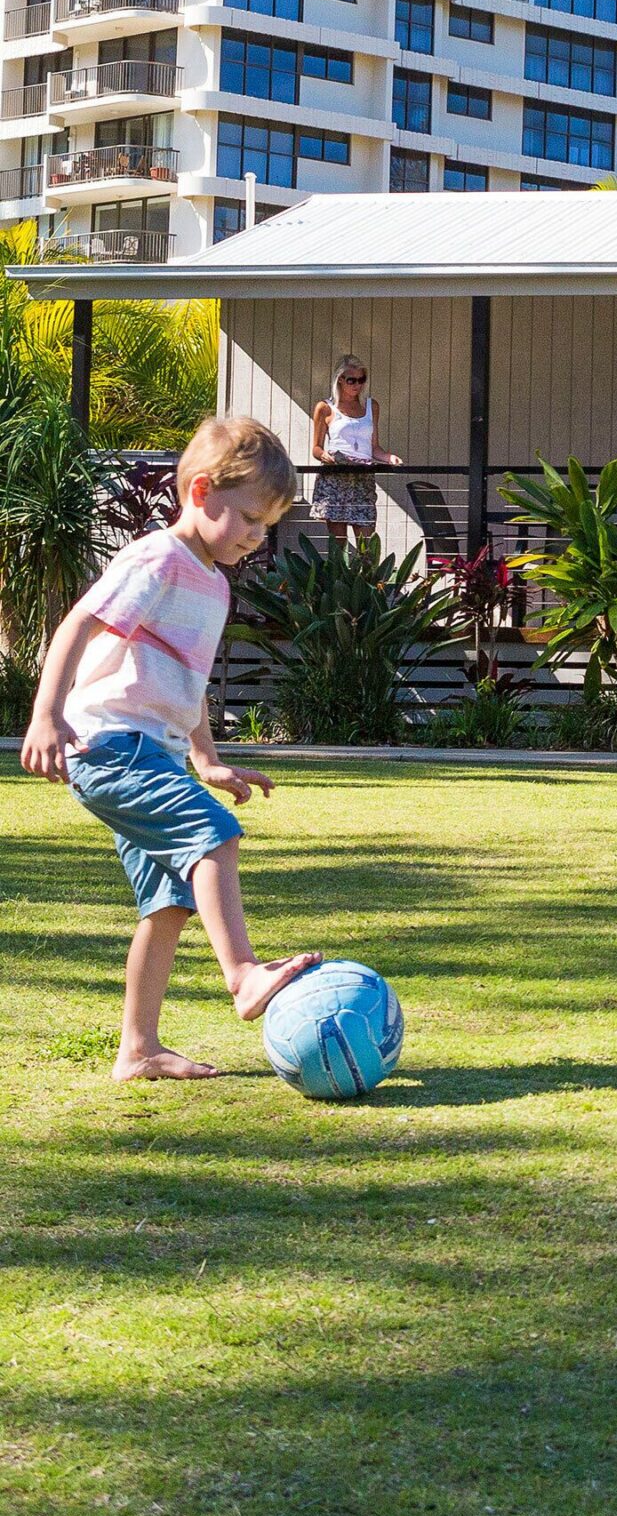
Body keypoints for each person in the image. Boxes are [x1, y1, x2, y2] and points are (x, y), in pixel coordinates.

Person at [16, 417, 322, 1082]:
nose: (254, 535)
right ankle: (241, 974)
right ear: (202, 491)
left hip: (150, 753)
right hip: (109, 747)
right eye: (247, 518)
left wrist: (206, 759)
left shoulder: (213, 582)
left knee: (169, 904)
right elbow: (76, 624)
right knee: (214, 835)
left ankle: (138, 1049)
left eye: (265, 525)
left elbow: (187, 685)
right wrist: (44, 716)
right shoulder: (157, 559)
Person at [309, 353, 400, 542]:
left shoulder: (370, 406)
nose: (357, 385)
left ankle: (366, 573)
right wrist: (325, 456)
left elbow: (374, 447)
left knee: (365, 542)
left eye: (362, 380)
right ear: (340, 379)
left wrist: (389, 458)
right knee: (338, 543)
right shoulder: (325, 408)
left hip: (362, 478)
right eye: (352, 380)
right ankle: (339, 572)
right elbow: (316, 448)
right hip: (336, 476)